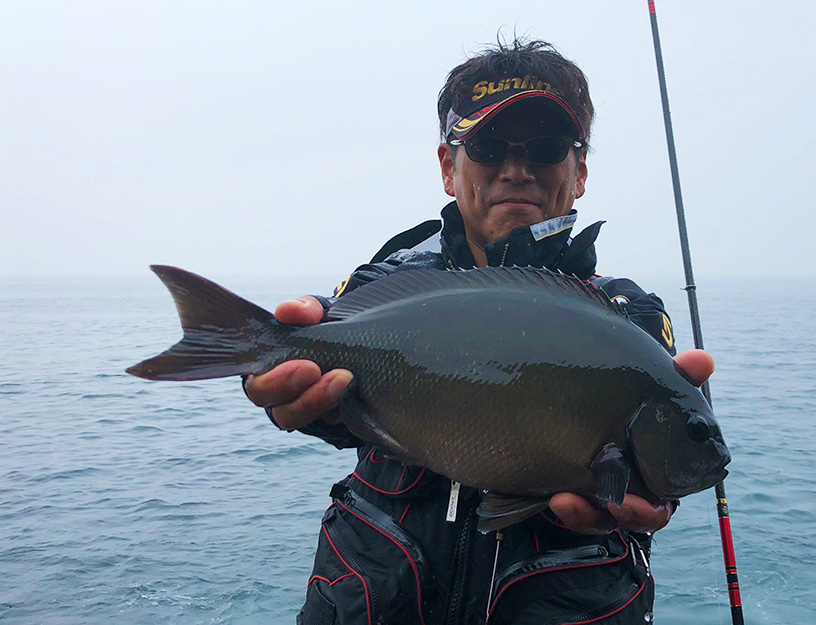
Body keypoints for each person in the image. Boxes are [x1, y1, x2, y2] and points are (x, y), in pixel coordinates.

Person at [244, 38, 716, 625]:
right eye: (489, 147)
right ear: (449, 167)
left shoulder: (628, 317)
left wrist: (654, 495)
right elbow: (329, 371)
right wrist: (285, 381)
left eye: (544, 148)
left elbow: (652, 461)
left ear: (581, 171)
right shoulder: (382, 282)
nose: (515, 170)